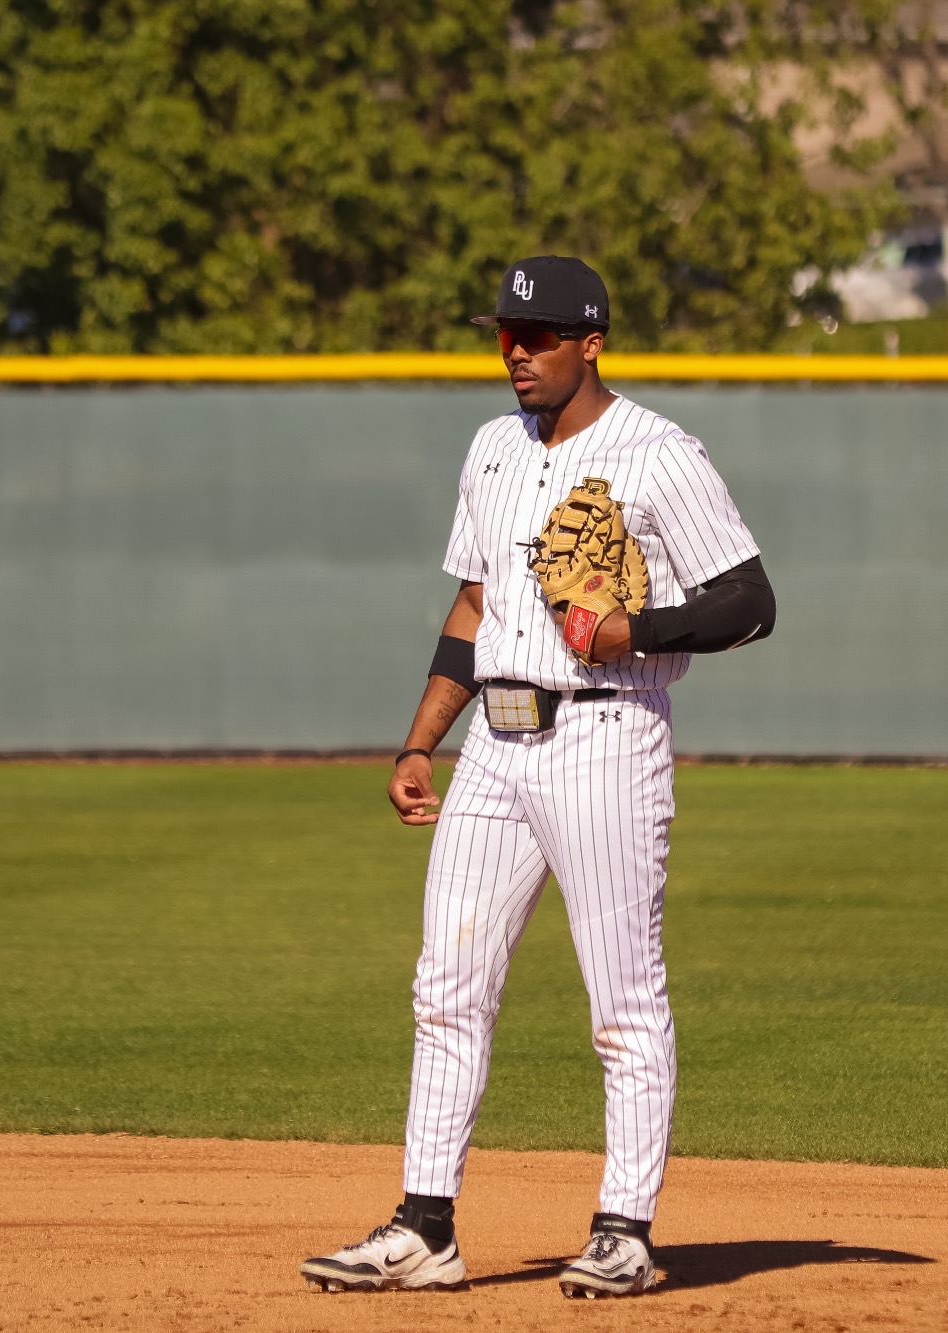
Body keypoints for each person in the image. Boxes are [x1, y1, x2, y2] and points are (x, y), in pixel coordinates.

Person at [298, 256, 776, 1300]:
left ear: (591, 341)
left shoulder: (657, 455)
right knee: (445, 986)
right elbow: (475, 605)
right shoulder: (491, 450)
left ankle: (623, 1230)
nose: (516, 352)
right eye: (505, 334)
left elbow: (747, 600)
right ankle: (424, 1227)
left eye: (540, 334)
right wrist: (420, 739)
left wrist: (631, 628)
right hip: (492, 753)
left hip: (605, 740)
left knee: (621, 1002)